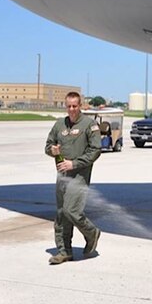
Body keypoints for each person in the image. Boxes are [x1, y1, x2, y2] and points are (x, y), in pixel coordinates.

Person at [45, 91, 102, 265]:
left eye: (75, 106)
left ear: (81, 105)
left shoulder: (89, 125)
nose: (71, 110)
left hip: (79, 175)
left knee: (72, 210)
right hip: (62, 175)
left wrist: (74, 164)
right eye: (68, 106)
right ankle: (64, 251)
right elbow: (48, 145)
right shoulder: (59, 125)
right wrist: (52, 150)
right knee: (62, 213)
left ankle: (91, 232)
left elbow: (95, 150)